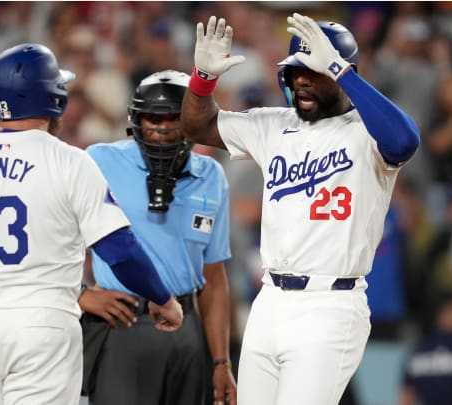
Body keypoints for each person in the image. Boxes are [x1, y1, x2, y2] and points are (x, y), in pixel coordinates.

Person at [0, 43, 184, 404]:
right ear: (55, 100)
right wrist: (162, 297)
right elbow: (120, 252)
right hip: (43, 327)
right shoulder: (69, 162)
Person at [180, 13, 421, 405]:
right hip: (270, 300)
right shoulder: (273, 125)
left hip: (331, 304)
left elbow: (405, 141)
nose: (302, 79)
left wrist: (341, 72)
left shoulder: (368, 132)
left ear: (340, 71)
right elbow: (197, 126)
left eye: (314, 70)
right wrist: (202, 80)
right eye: (295, 71)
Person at [80, 70, 236, 405]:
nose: (163, 128)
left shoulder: (211, 175)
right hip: (123, 323)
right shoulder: (100, 161)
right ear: (135, 119)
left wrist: (222, 361)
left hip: (187, 328)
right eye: (153, 118)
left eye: (174, 118)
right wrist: (78, 295)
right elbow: (50, 237)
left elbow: (214, 277)